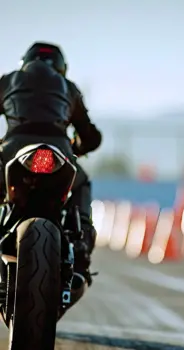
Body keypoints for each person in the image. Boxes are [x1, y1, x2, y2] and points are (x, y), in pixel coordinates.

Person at [0, 42, 102, 307]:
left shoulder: (9, 80)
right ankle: (80, 255)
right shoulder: (69, 88)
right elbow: (89, 135)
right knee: (81, 184)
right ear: (61, 67)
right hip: (61, 153)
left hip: (12, 152)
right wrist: (80, 147)